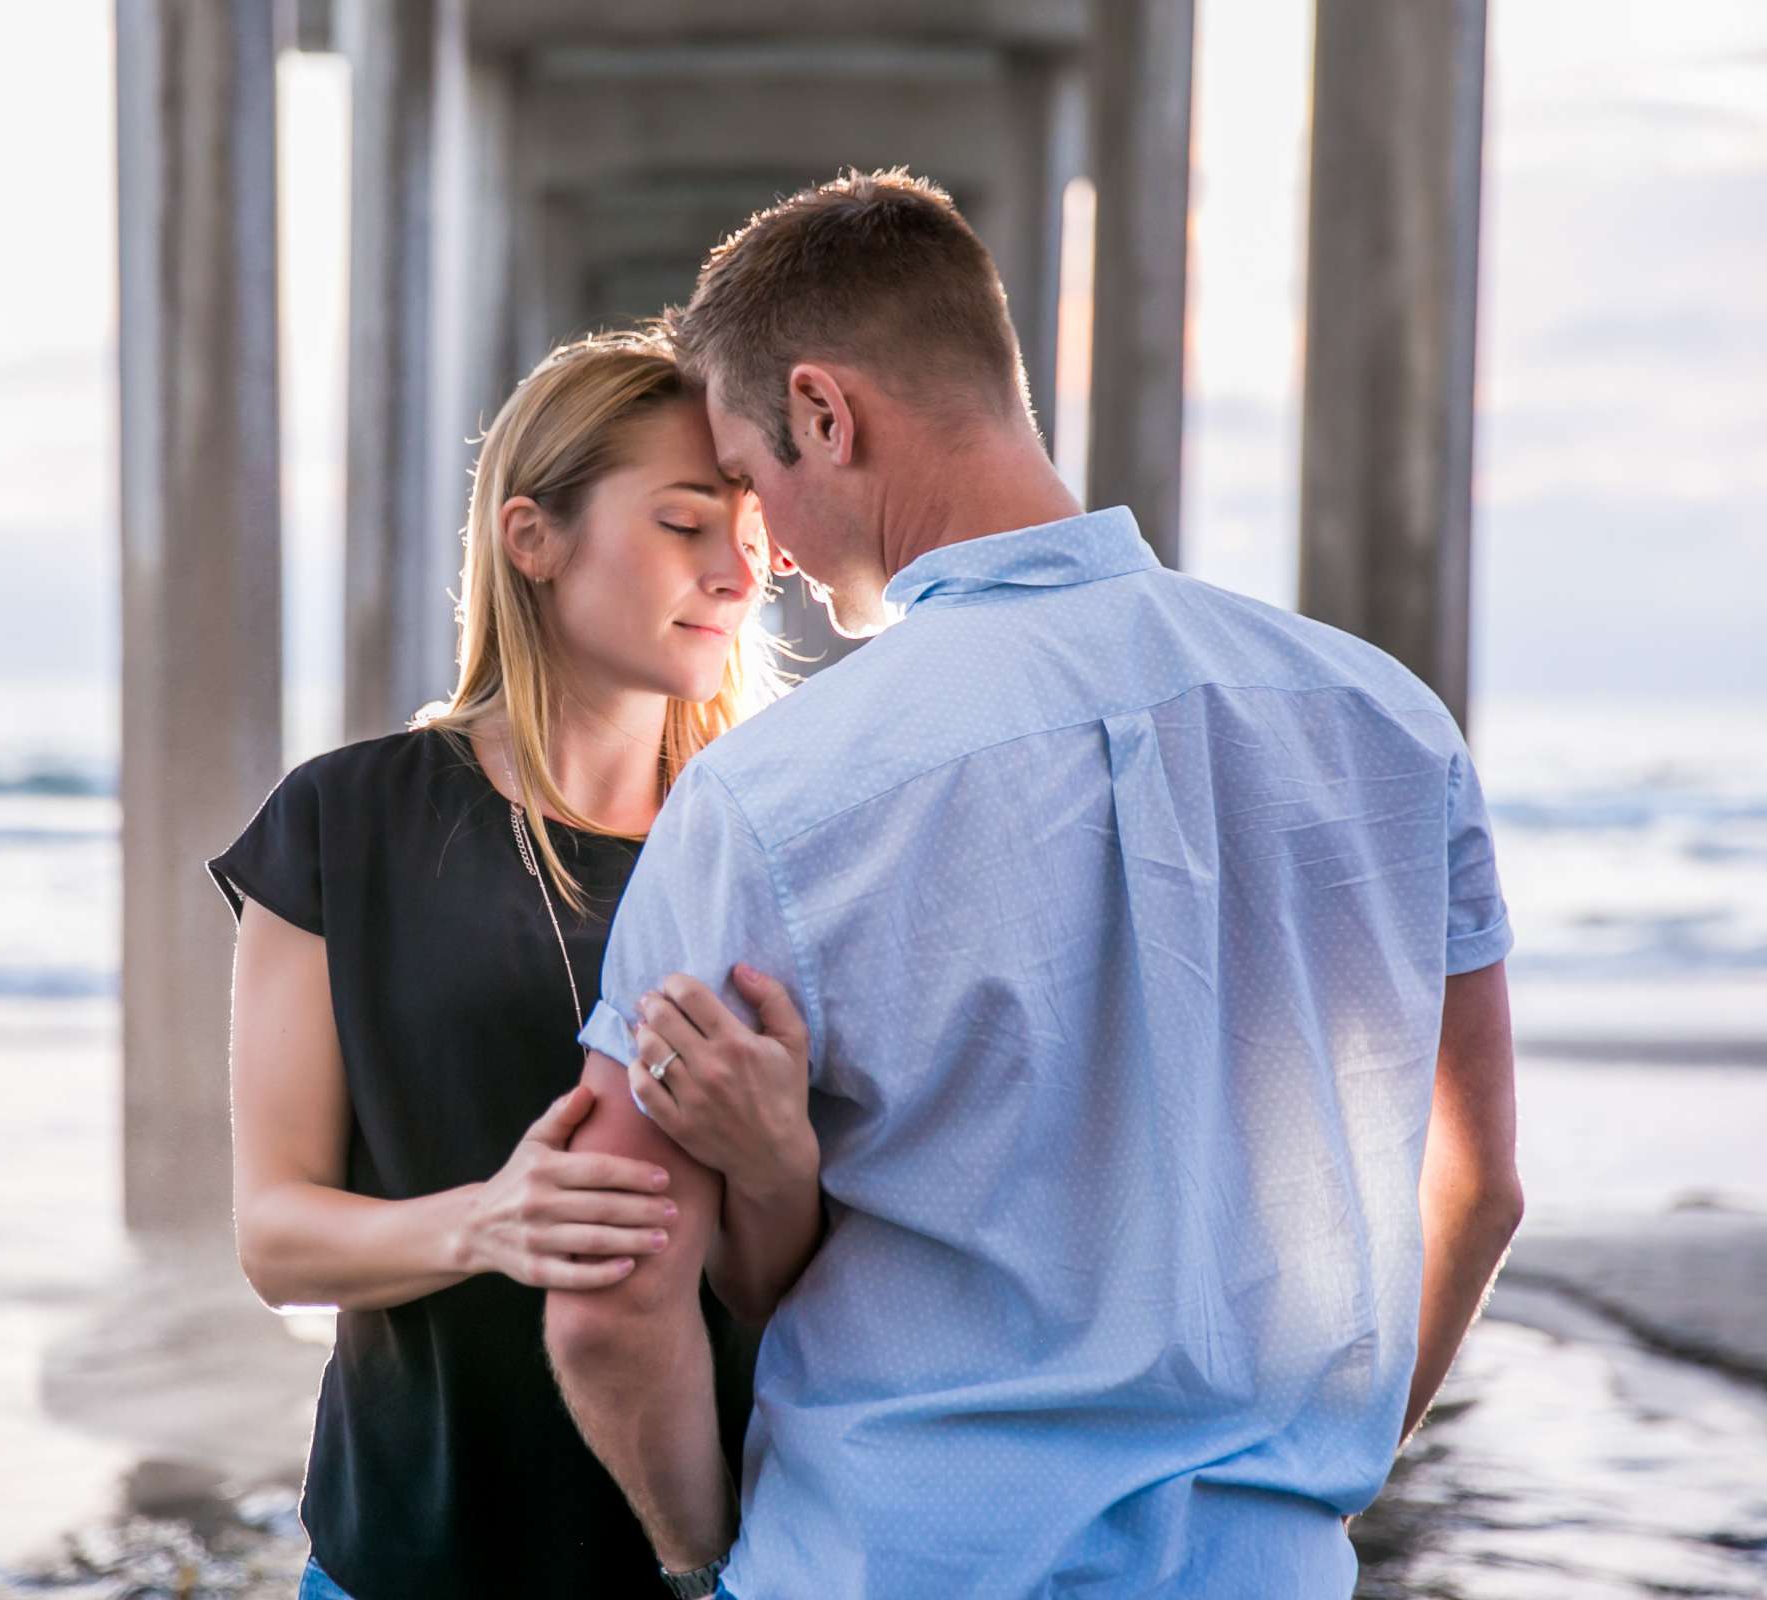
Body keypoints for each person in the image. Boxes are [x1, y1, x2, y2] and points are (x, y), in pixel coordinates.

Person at [542, 169, 1524, 1599]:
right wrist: (1319, 1471)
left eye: (755, 482)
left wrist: (708, 1558)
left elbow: (610, 1293)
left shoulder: (771, 795)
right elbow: (1477, 1186)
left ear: (826, 412)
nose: (768, 554)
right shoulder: (1386, 719)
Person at [208, 329, 816, 1599]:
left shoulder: (768, 843)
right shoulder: (343, 820)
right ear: (532, 538)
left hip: (724, 1552)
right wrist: (488, 1222)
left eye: (750, 534)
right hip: (410, 1551)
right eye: (683, 523)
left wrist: (777, 1164)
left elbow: (782, 1282)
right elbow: (275, 1236)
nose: (736, 573)